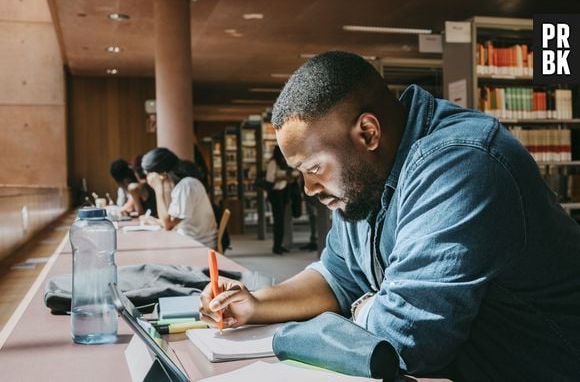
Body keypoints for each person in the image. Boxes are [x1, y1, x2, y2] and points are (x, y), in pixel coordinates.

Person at [199, 51, 580, 380]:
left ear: (367, 133)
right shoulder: (364, 180)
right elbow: (337, 276)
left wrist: (366, 307)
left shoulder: (461, 163)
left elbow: (406, 340)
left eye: (314, 168)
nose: (309, 190)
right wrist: (257, 304)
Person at [140, 147, 217, 249]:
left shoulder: (186, 186)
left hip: (198, 245)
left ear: (160, 172)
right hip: (192, 241)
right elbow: (168, 219)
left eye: (149, 173)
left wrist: (158, 189)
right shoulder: (183, 184)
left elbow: (167, 224)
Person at [266, 145, 295, 254]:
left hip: (283, 192)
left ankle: (280, 244)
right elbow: (270, 179)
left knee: (282, 220)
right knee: (278, 220)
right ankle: (276, 246)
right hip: (275, 193)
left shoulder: (283, 163)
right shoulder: (273, 163)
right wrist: (283, 177)